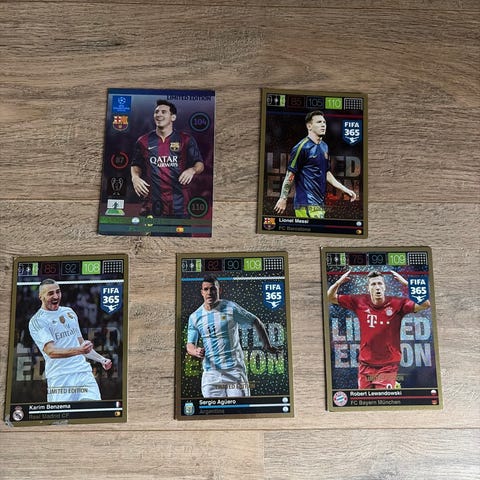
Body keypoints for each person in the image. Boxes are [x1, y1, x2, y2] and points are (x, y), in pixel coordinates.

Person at [327, 270, 431, 389]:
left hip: (387, 366)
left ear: (384, 287)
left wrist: (407, 284)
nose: (377, 287)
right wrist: (338, 283)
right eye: (373, 284)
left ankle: (392, 385)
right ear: (368, 288)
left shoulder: (398, 303)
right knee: (364, 399)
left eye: (380, 283)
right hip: (365, 365)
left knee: (382, 397)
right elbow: (330, 297)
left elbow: (425, 304)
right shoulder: (359, 301)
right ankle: (394, 386)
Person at [186, 276, 280, 397]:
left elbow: (255, 321)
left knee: (239, 407)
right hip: (211, 374)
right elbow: (190, 345)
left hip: (234, 370)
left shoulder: (230, 308)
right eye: (206, 289)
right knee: (213, 409)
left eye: (213, 289)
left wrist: (267, 345)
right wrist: (195, 351)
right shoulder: (195, 317)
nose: (209, 292)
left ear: (219, 290)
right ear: (202, 292)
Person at [29, 279, 112, 402]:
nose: (56, 296)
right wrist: (80, 350)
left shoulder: (69, 312)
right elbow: (51, 351)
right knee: (65, 415)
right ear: (41, 296)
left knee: (92, 409)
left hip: (83, 373)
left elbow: (81, 344)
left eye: (58, 292)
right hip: (60, 378)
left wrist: (101, 359)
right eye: (50, 293)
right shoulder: (37, 321)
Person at [274, 110, 356, 219]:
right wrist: (283, 198)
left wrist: (345, 189)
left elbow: (326, 173)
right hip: (305, 203)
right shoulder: (302, 147)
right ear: (309, 126)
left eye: (324, 122)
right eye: (319, 122)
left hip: (319, 204)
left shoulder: (324, 146)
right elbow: (290, 174)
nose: (323, 125)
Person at [130, 99, 204, 217]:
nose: (158, 114)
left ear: (173, 117)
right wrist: (135, 177)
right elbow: (135, 164)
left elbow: (199, 164)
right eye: (156, 112)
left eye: (163, 112)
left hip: (180, 205)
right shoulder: (143, 141)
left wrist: (192, 170)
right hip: (153, 204)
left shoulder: (186, 139)